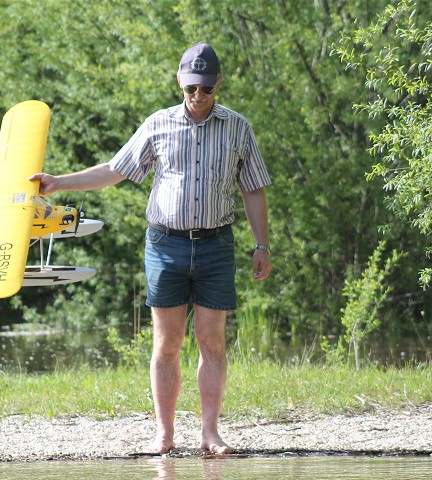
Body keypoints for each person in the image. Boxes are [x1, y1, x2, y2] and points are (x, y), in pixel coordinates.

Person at [30, 42, 272, 454]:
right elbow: (115, 169)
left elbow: (253, 189)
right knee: (168, 343)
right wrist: (59, 182)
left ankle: (210, 433)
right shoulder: (158, 124)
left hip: (216, 245)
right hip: (165, 244)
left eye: (206, 89)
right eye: (191, 88)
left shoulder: (238, 128)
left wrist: (261, 244)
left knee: (211, 341)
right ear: (180, 81)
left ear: (219, 85)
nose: (198, 97)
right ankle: (165, 433)